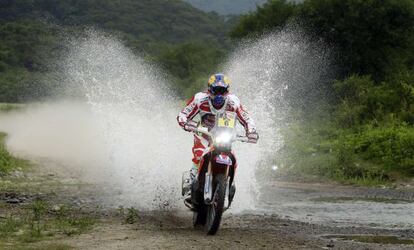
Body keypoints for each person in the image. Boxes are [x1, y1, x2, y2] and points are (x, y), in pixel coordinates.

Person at [177, 73, 259, 194]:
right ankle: (191, 182)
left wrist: (251, 131)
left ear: (227, 91)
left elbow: (247, 118)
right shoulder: (200, 99)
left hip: (225, 137)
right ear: (209, 90)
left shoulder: (233, 102)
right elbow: (183, 113)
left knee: (232, 156)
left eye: (222, 91)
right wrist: (185, 123)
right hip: (204, 134)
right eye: (216, 91)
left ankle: (229, 183)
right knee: (199, 154)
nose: (219, 95)